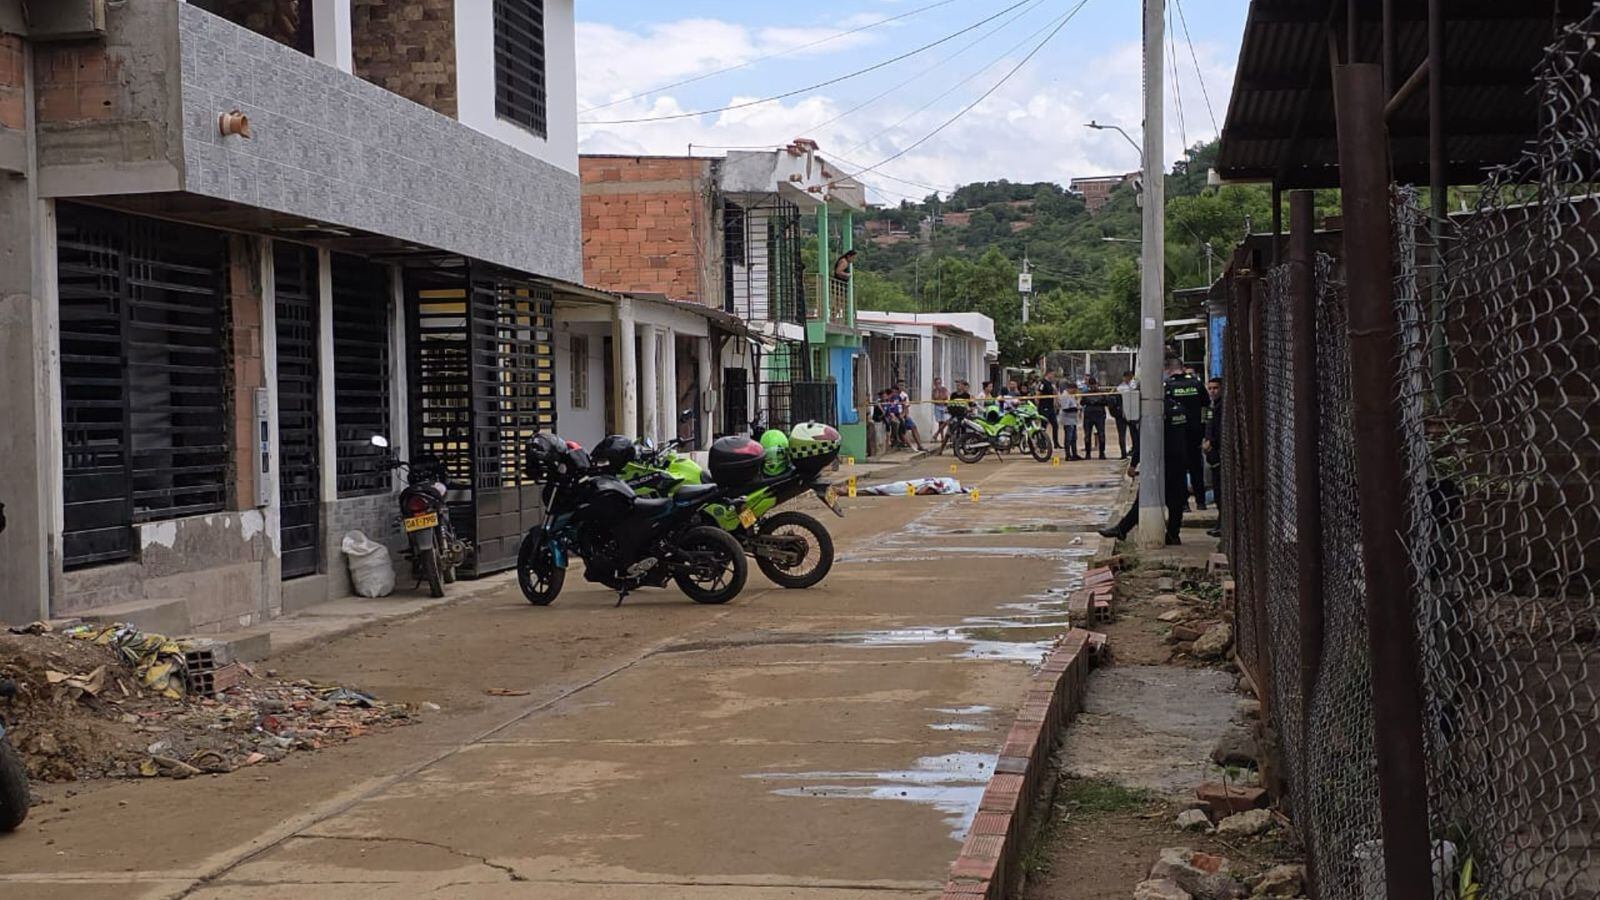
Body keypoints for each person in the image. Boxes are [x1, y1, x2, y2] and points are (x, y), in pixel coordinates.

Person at [1098, 373, 1193, 545]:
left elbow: (1144, 442)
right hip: (1180, 460)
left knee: (1145, 496)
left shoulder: (1155, 414)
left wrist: (1133, 464)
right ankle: (1173, 534)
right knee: (1175, 501)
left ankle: (1122, 529)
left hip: (1161, 461)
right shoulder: (1180, 409)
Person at [1165, 357, 1210, 510]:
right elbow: (1206, 406)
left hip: (1176, 434)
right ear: (1182, 368)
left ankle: (1183, 503)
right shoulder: (1196, 384)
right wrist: (1205, 428)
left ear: (1168, 370)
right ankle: (1201, 502)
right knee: (1196, 467)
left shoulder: (1168, 386)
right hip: (1196, 432)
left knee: (1179, 470)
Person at [1203, 377, 1224, 537]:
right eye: (1210, 388)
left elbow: (1219, 429)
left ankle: (1221, 524)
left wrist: (1211, 442)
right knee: (1216, 490)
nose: (1212, 391)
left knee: (1220, 491)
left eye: (1215, 388)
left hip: (1218, 452)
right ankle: (1220, 523)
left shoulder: (1221, 407)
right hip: (1212, 453)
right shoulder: (1212, 406)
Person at [1080, 376, 1109, 460]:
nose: (1092, 386)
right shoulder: (1100, 393)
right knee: (1094, 434)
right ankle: (1097, 453)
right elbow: (1106, 402)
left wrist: (1091, 402)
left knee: (1095, 434)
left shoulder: (1087, 393)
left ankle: (1094, 453)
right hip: (1096, 414)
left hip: (1093, 414)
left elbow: (1082, 402)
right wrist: (1097, 402)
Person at [1114, 370, 1140, 460]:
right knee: (1122, 435)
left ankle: (1134, 450)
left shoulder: (1134, 385)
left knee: (1134, 434)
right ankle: (1123, 453)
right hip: (1122, 414)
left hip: (1132, 413)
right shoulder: (1120, 388)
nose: (1129, 379)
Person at [1058, 382, 1081, 460]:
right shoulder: (1065, 395)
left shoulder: (1071, 395)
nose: (1075, 392)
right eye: (1074, 390)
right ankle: (1068, 455)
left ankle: (1075, 454)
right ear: (1070, 389)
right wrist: (1075, 409)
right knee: (1068, 438)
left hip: (1073, 419)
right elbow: (1065, 408)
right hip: (1067, 420)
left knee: (1074, 438)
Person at [1037, 371, 1058, 449]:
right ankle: (1042, 444)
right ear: (1048, 374)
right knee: (1044, 426)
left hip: (1050, 407)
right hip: (1044, 407)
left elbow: (1054, 394)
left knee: (1055, 425)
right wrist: (1038, 405)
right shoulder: (1043, 383)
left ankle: (1056, 443)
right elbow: (1038, 393)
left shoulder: (1051, 384)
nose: (1053, 376)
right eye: (1052, 374)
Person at [931, 377, 951, 446]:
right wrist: (937, 391)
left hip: (944, 407)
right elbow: (935, 398)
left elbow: (945, 397)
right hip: (937, 407)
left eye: (939, 383)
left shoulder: (944, 389)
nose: (938, 384)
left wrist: (941, 398)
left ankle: (936, 434)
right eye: (937, 383)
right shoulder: (934, 391)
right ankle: (942, 437)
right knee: (940, 422)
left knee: (946, 421)